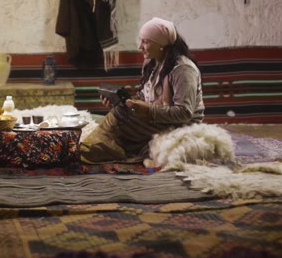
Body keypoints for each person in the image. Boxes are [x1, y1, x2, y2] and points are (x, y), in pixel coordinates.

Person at [80, 17, 204, 163]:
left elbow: (185, 113)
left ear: (161, 44)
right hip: (158, 117)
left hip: (180, 124)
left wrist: (148, 111)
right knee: (121, 110)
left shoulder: (183, 69)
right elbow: (144, 97)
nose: (140, 46)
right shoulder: (151, 63)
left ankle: (94, 150)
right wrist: (122, 102)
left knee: (120, 116)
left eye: (145, 42)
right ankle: (97, 148)